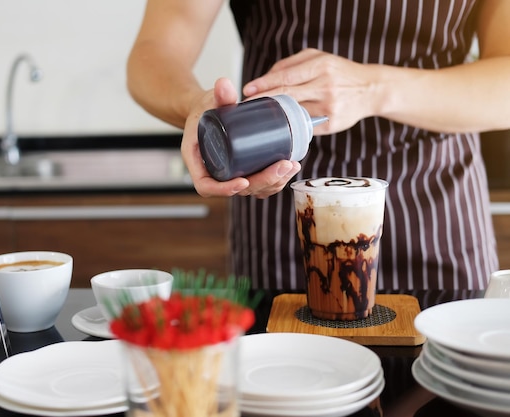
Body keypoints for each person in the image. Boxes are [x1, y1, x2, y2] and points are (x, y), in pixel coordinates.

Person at [126, 0, 510, 291]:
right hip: (284, 206)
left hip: (438, 210)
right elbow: (154, 52)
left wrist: (372, 89)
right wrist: (193, 104)